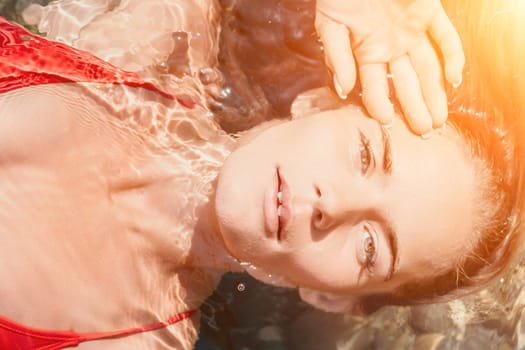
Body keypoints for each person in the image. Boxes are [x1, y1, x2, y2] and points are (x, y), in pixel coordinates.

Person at [0, 1, 521, 350]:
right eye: (364, 154)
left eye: (370, 247)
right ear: (317, 104)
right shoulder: (156, 42)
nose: (331, 205)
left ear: (329, 298)